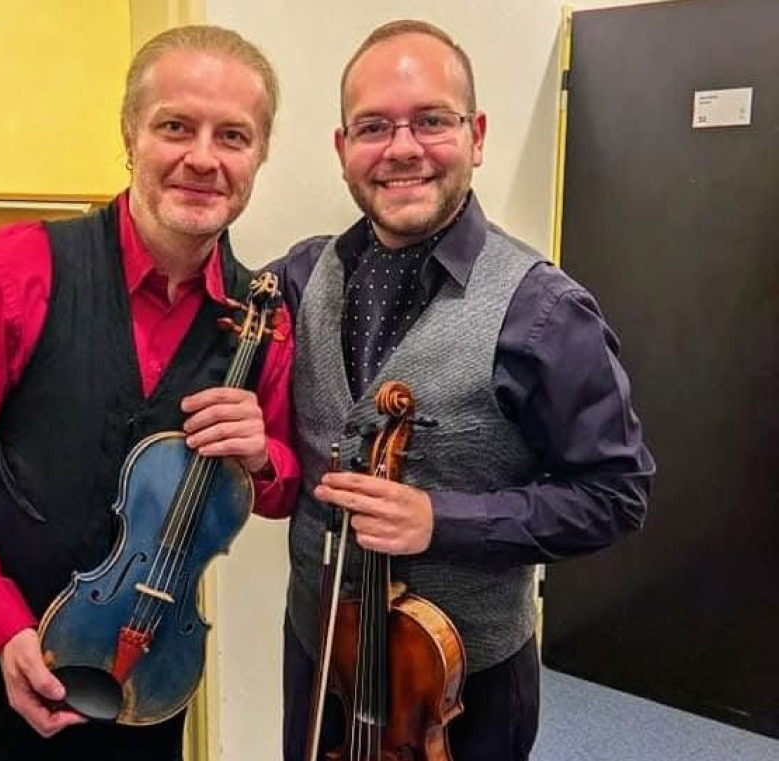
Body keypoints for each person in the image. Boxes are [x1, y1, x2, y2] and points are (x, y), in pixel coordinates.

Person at [0, 25, 299, 761]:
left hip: (143, 676)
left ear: (258, 156)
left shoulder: (262, 320)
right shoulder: (10, 273)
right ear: (130, 135)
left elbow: (280, 488)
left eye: (233, 135)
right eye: (174, 126)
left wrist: (262, 456)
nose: (203, 157)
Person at [275, 19, 654, 761]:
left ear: (475, 135)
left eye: (431, 121)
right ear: (342, 148)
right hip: (322, 658)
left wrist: (441, 519)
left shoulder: (545, 311)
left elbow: (616, 494)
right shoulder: (297, 276)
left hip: (457, 689)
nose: (403, 148)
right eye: (373, 126)